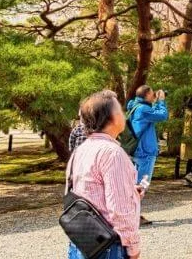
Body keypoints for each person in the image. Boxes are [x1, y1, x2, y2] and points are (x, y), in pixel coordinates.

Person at [65, 91, 142, 259]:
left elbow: (85, 190)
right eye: (120, 110)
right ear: (111, 117)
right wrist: (133, 248)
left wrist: (130, 190)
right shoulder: (113, 153)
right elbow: (119, 209)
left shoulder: (83, 149)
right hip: (108, 245)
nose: (124, 115)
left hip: (83, 240)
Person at [125, 85, 168, 226]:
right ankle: (133, 216)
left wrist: (155, 103)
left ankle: (131, 213)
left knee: (135, 183)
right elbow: (163, 115)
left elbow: (153, 114)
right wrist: (161, 101)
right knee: (142, 184)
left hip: (137, 150)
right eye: (152, 94)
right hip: (145, 152)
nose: (154, 95)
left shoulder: (135, 106)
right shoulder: (143, 109)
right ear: (146, 95)